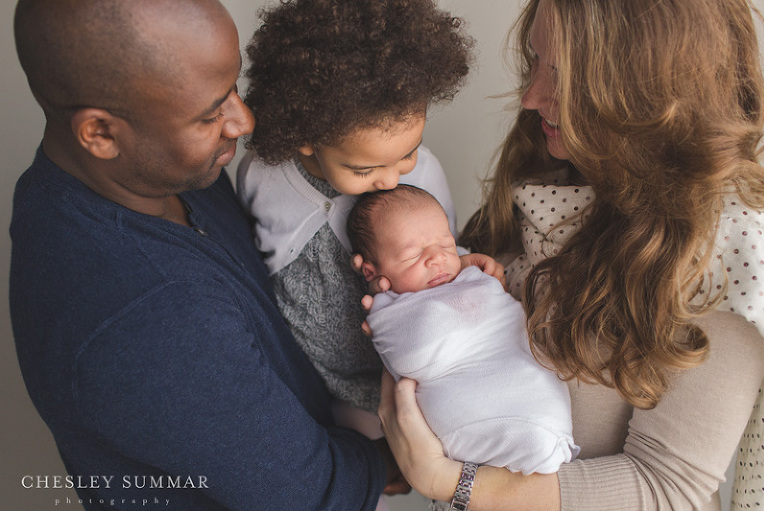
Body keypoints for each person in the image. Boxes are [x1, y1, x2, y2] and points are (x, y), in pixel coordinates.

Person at [375, 0, 764, 510]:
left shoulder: (725, 242)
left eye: (563, 76)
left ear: (647, 87)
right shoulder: (565, 168)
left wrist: (449, 480)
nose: (530, 96)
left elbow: (669, 489)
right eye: (535, 61)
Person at [10, 0, 402, 509]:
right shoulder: (146, 315)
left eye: (233, 90)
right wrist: (399, 458)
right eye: (210, 113)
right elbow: (308, 495)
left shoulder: (140, 174)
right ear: (101, 133)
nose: (243, 121)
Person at [236, 0, 473, 440]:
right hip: (304, 380)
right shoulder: (262, 177)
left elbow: (445, 260)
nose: (389, 180)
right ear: (306, 136)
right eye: (363, 170)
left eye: (407, 153)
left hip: (400, 377)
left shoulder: (422, 177)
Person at [347, 184, 579, 476]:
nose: (437, 258)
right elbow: (413, 356)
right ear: (371, 272)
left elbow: (503, 318)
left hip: (531, 392)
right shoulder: (390, 310)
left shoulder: (472, 275)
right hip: (470, 417)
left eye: (445, 245)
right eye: (412, 255)